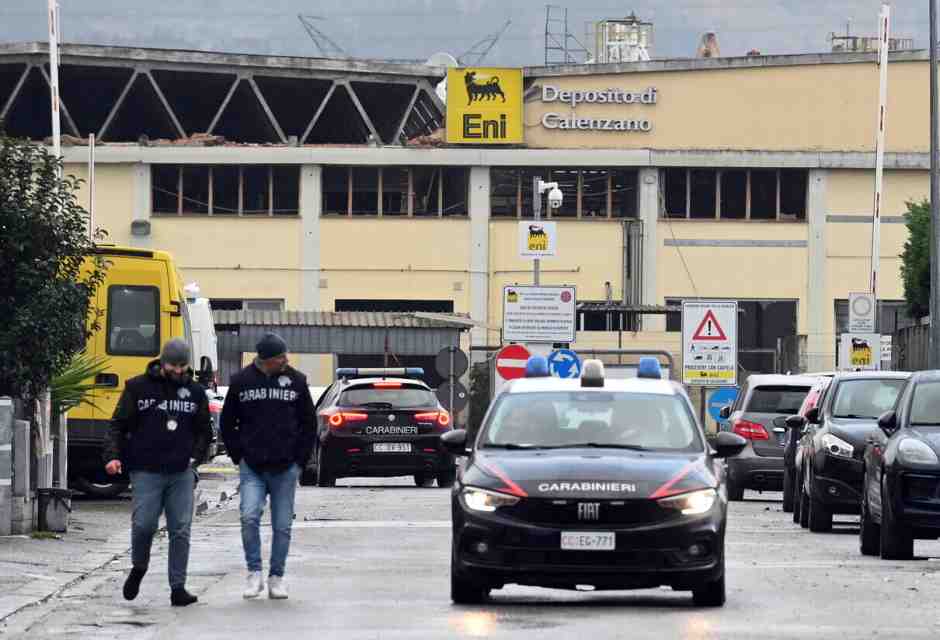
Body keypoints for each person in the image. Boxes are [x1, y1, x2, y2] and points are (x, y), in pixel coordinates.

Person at [103, 338, 212, 607]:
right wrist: (113, 456)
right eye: (173, 365)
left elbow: (204, 432)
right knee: (144, 525)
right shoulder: (137, 388)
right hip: (146, 469)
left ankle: (178, 587)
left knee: (181, 529)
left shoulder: (195, 392)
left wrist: (194, 458)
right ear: (162, 362)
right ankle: (139, 566)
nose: (178, 371)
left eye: (183, 366)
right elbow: (117, 425)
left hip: (181, 471)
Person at [220, 333, 316, 600]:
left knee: (282, 525)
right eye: (280, 357)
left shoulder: (296, 381)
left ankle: (277, 577)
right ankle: (254, 573)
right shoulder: (241, 382)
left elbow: (309, 424)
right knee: (249, 517)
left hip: (286, 467)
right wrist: (237, 455)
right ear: (265, 360)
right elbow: (228, 423)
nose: (285, 360)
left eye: (285, 356)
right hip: (252, 466)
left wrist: (300, 461)